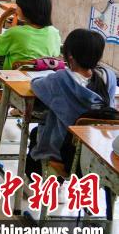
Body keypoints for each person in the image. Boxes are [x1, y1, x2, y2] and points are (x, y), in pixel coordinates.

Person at [26, 29, 116, 177]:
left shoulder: (60, 79)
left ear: (69, 56)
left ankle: (40, 179)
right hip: (97, 150)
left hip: (65, 152)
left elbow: (36, 85)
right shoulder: (109, 77)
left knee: (37, 133)